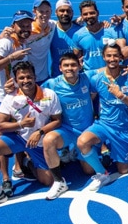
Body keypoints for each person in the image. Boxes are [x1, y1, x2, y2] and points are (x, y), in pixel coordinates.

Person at [0, 61, 62, 211]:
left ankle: (26, 163)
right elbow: (0, 125)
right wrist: (21, 124)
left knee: (48, 180)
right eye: (21, 78)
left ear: (35, 77)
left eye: (29, 77)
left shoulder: (49, 94)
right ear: (15, 80)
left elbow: (57, 121)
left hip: (40, 142)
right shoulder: (10, 98)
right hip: (19, 138)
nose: (26, 81)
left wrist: (39, 132)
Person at [77, 43, 128, 191]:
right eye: (109, 55)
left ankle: (114, 151)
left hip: (124, 127)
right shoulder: (96, 78)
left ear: (121, 57)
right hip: (104, 124)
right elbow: (90, 99)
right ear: (103, 57)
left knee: (123, 170)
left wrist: (120, 95)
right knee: (82, 142)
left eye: (115, 55)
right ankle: (102, 172)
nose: (112, 59)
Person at [0, 10, 34, 190]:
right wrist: (10, 58)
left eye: (28, 25)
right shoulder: (6, 43)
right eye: (21, 25)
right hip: (2, 98)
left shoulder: (21, 43)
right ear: (13, 26)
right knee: (4, 138)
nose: (25, 28)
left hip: (17, 97)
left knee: (19, 133)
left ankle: (19, 168)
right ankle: (6, 178)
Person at [40, 53, 96, 200]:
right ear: (60, 68)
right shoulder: (52, 84)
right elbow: (32, 91)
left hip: (86, 132)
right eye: (66, 65)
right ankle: (59, 181)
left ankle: (73, 152)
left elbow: (105, 70)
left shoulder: (86, 78)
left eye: (73, 65)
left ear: (79, 66)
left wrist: (124, 67)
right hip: (67, 130)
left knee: (89, 171)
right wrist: (12, 90)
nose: (70, 68)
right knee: (48, 140)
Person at [73, 0, 118, 71]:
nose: (89, 16)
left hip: (109, 75)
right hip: (89, 77)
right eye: (85, 14)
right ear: (81, 16)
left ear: (97, 13)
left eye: (92, 13)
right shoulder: (78, 35)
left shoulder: (110, 31)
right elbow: (76, 57)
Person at [49, 0, 83, 78]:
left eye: (68, 11)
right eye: (62, 11)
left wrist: (103, 23)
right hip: (57, 77)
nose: (65, 13)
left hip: (78, 78)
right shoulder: (50, 30)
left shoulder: (81, 30)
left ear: (72, 13)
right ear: (56, 12)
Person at [27, 0, 56, 84]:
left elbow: (65, 25)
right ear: (34, 12)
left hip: (44, 76)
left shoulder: (52, 25)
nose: (45, 15)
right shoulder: (26, 30)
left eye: (47, 11)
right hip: (28, 77)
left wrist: (77, 21)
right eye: (41, 12)